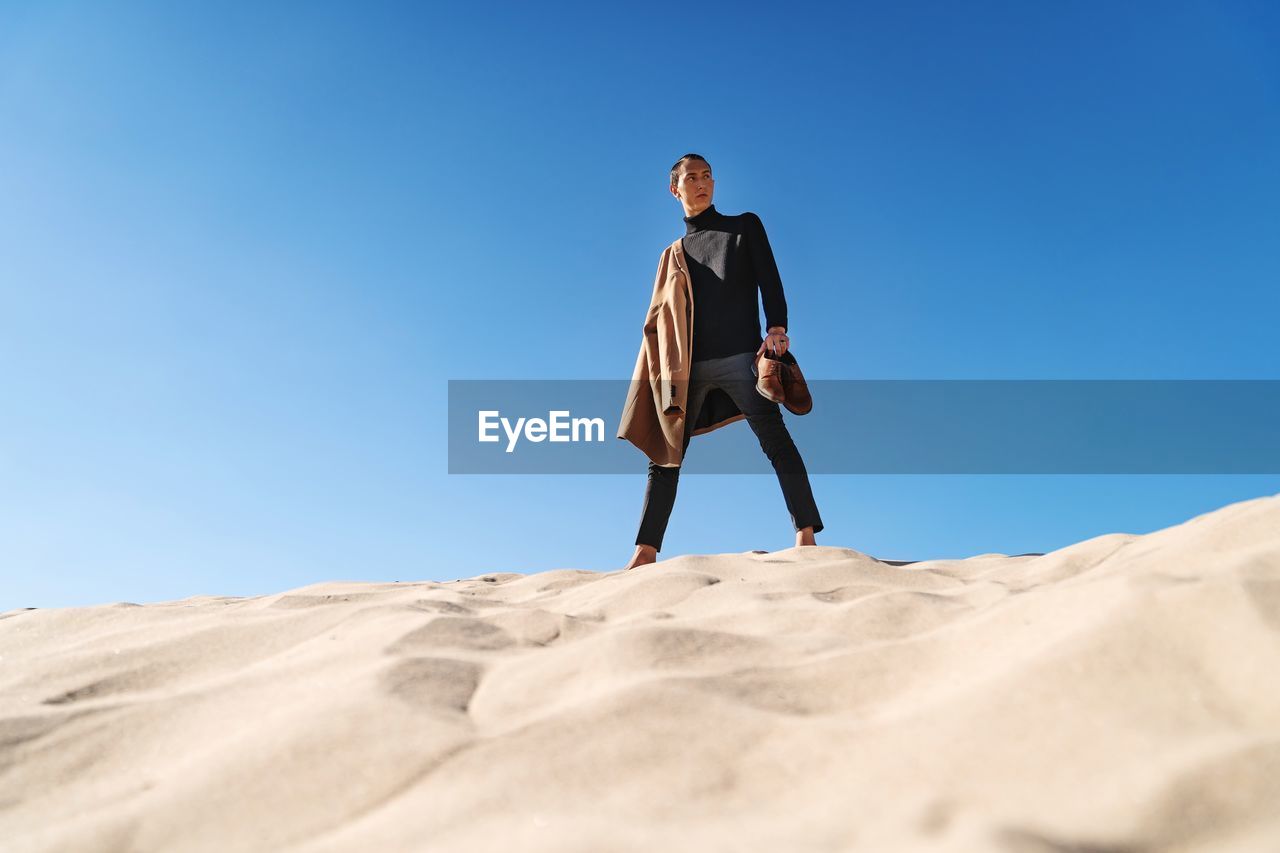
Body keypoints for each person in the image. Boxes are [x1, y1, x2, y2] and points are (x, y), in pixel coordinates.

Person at [622, 153, 824, 571]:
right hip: (688, 368)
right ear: (674, 189)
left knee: (776, 441)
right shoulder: (672, 255)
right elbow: (658, 320)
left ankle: (805, 533)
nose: (702, 183)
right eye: (692, 177)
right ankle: (645, 551)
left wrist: (777, 328)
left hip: (740, 358)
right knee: (665, 455)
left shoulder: (743, 226)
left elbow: (770, 277)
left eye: (708, 176)